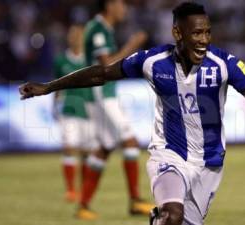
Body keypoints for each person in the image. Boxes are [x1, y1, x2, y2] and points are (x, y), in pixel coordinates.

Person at [20, 2, 245, 225]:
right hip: (169, 155)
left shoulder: (225, 64)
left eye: (207, 32)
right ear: (178, 33)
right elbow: (100, 73)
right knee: (174, 215)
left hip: (209, 164)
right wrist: (49, 86)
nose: (204, 40)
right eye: (196, 33)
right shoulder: (153, 62)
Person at [78, 0, 153, 219]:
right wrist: (133, 45)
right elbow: (106, 65)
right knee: (129, 142)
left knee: (106, 147)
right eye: (121, 3)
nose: (125, 8)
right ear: (110, 5)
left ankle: (83, 204)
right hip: (101, 94)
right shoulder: (99, 29)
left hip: (99, 94)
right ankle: (135, 201)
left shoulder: (99, 28)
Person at [53, 24, 95, 203]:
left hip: (88, 110)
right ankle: (70, 190)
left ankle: (83, 190)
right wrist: (54, 105)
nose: (76, 38)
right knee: (69, 148)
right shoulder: (61, 60)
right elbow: (55, 85)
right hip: (69, 109)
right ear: (68, 38)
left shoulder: (90, 60)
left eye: (79, 35)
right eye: (73, 35)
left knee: (86, 152)